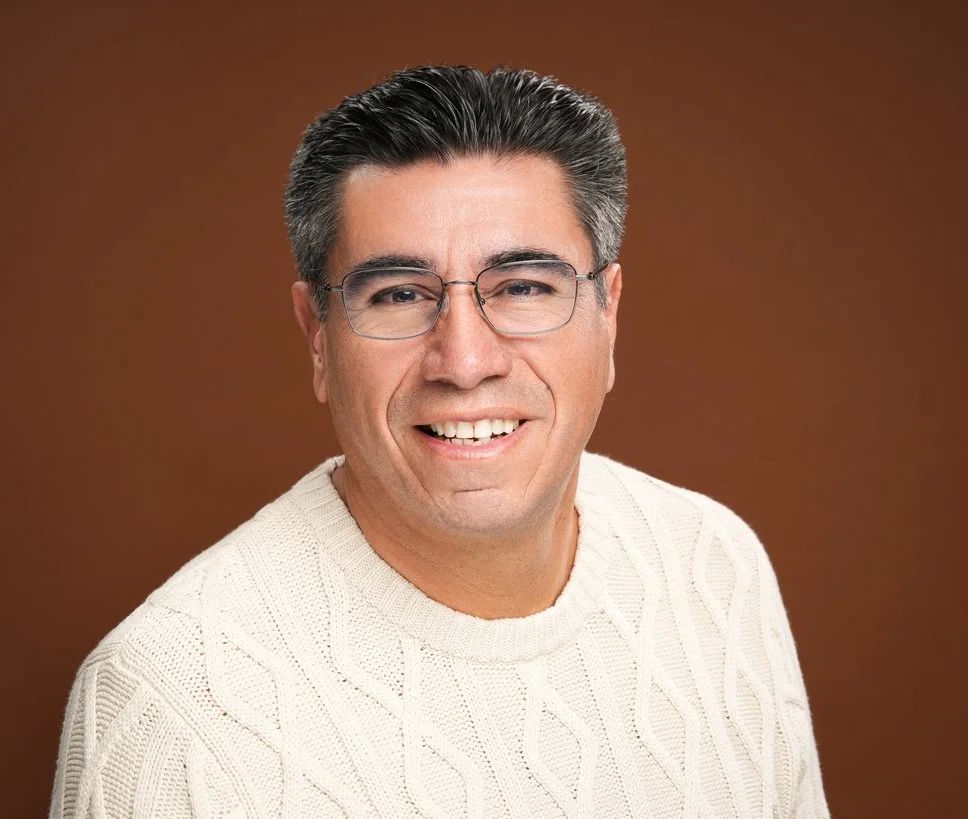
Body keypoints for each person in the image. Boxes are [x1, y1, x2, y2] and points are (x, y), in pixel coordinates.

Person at [50, 65, 829, 818]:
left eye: (524, 286)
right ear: (317, 337)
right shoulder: (172, 701)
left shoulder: (715, 565)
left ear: (608, 314)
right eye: (398, 294)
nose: (464, 361)